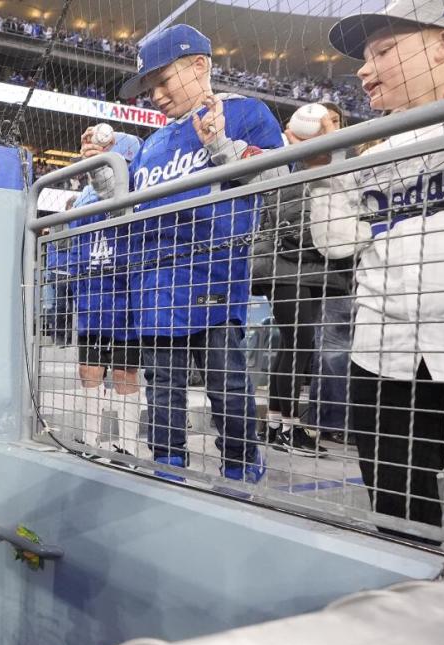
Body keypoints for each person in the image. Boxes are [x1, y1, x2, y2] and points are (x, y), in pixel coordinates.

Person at [301, 0, 444, 546]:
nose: (363, 68)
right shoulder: (372, 145)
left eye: (384, 50)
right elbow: (338, 245)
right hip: (384, 350)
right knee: (400, 519)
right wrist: (324, 176)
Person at [87, 25, 285, 483]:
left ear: (199, 66)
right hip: (153, 282)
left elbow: (275, 181)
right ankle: (167, 464)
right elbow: (125, 203)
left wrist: (218, 145)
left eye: (163, 81)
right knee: (163, 387)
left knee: (228, 384)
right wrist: (101, 170)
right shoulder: (154, 142)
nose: (155, 95)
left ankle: (239, 465)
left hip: (211, 274)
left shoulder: (244, 112)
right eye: (150, 87)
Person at [250, 102, 354, 456]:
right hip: (284, 266)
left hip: (310, 269)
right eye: (326, 122)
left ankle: (280, 425)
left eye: (337, 122)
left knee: (295, 345)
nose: (330, 127)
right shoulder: (287, 159)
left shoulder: (334, 160)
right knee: (299, 345)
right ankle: (287, 429)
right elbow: (292, 218)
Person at [68, 131, 144, 454]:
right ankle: (89, 438)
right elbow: (75, 247)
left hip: (125, 299)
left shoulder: (139, 188)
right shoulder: (85, 196)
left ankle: (126, 443)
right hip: (93, 298)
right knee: (89, 372)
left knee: (125, 372)